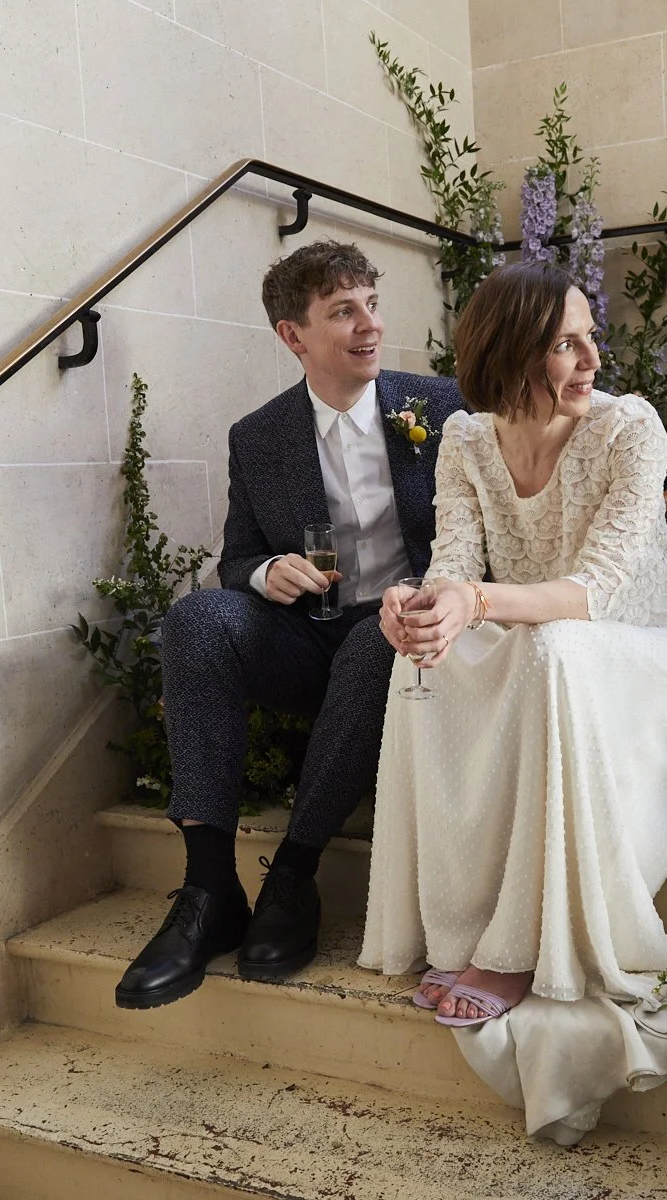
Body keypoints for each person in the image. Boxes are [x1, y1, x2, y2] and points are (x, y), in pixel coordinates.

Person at [358, 260, 667, 1142]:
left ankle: (519, 949)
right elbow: (456, 557)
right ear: (510, 352)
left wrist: (477, 603)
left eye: (590, 335)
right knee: (419, 661)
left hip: (641, 650)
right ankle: (443, 915)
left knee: (551, 648)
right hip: (532, 634)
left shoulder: (629, 429)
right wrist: (419, 607)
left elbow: (595, 591)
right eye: (565, 342)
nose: (591, 357)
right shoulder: (466, 440)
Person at [114, 240, 462, 1009]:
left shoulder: (441, 407)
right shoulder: (259, 437)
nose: (367, 324)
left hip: (407, 636)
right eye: (343, 311)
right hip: (308, 636)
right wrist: (265, 574)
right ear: (293, 336)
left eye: (372, 303)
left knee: (380, 637)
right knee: (198, 620)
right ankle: (208, 891)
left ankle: (294, 877)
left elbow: (485, 535)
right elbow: (234, 559)